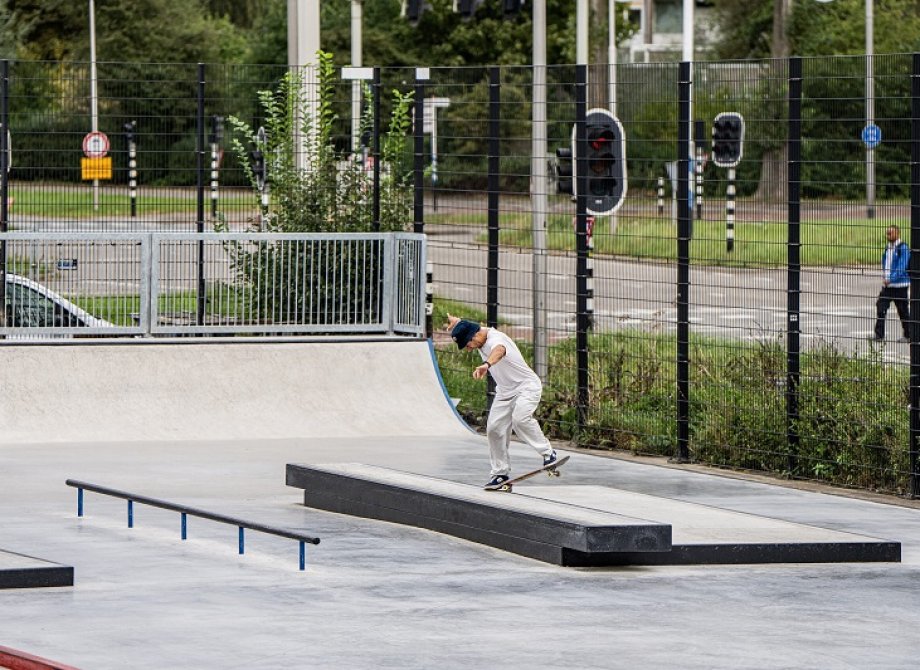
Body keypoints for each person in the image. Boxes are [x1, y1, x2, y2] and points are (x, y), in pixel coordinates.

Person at [447, 313, 558, 489]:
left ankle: (548, 453)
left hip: (526, 387)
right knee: (494, 429)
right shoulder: (476, 332)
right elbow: (467, 325)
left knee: (520, 420)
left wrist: (487, 365)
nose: (469, 349)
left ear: (474, 335)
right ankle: (500, 473)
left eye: (468, 344)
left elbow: (499, 351)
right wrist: (456, 323)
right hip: (505, 392)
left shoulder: (495, 339)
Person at [873, 225, 911, 343]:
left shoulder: (903, 248)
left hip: (900, 286)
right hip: (888, 286)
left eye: (891, 233)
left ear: (897, 234)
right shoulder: (888, 248)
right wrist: (886, 275)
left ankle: (909, 334)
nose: (888, 235)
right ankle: (879, 335)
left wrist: (892, 278)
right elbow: (886, 262)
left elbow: (902, 265)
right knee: (881, 306)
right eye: (887, 233)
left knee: (903, 311)